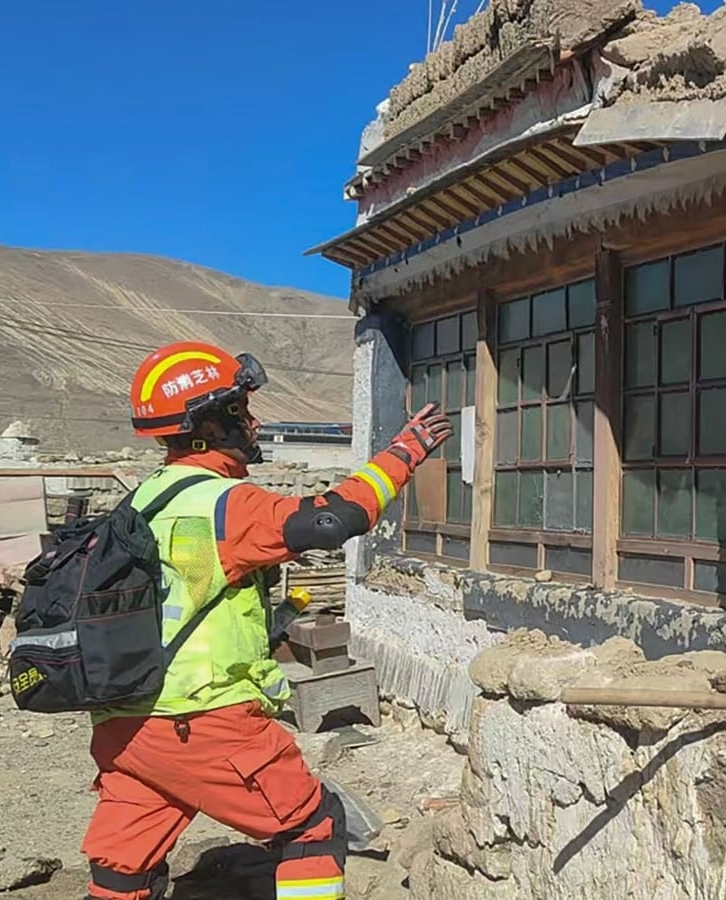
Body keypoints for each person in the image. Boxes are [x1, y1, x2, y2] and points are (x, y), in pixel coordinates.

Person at [82, 340, 451, 900]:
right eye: (242, 411)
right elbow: (334, 519)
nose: (253, 423)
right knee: (314, 827)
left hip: (125, 723)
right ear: (211, 423)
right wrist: (404, 452)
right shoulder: (222, 502)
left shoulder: (143, 501)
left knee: (123, 867)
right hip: (203, 719)